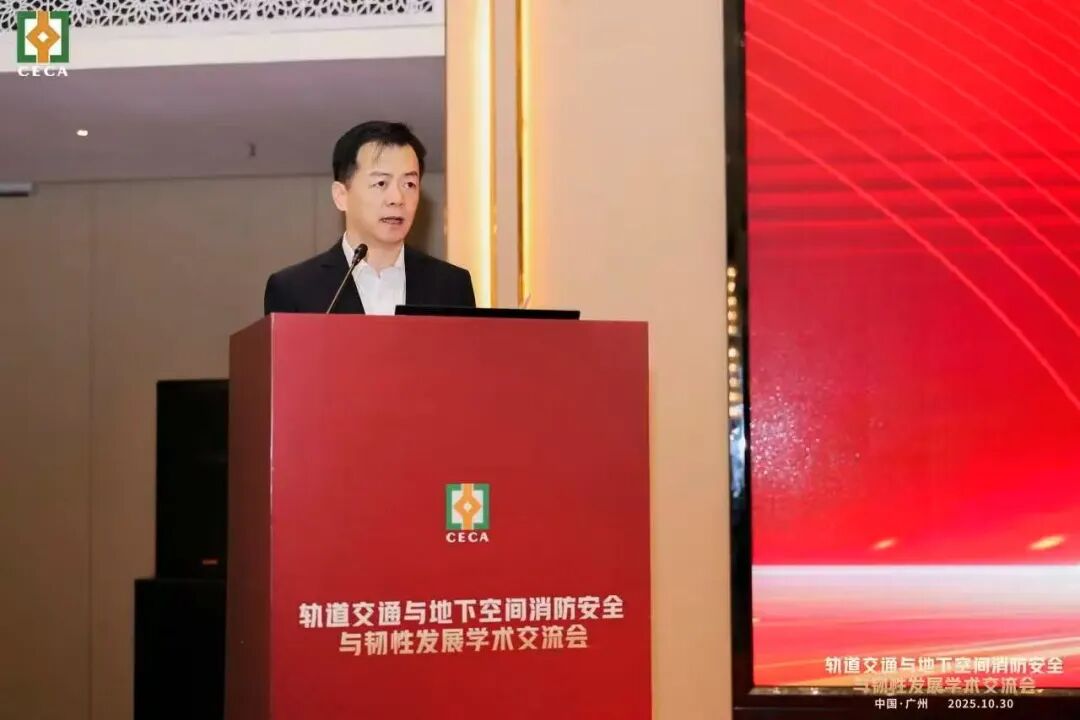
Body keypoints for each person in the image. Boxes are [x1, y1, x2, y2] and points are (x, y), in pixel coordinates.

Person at [264, 121, 475, 314]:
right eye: (381, 183)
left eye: (409, 184)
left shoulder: (451, 285)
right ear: (341, 196)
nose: (397, 198)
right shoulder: (294, 289)